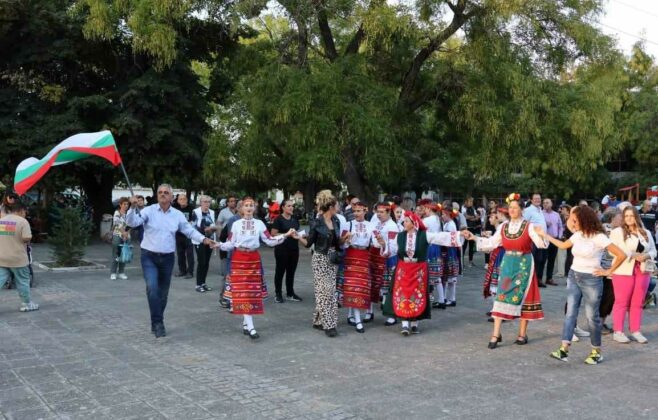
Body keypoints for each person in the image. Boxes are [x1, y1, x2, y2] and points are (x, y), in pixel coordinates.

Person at [535, 206, 625, 365]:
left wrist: (608, 271)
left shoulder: (599, 237)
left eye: (574, 220)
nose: (572, 223)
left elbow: (621, 255)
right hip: (573, 276)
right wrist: (544, 235)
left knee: (592, 316)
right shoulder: (578, 234)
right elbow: (563, 246)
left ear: (584, 219)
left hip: (591, 279)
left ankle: (596, 352)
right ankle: (564, 349)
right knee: (570, 313)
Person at [126, 184, 214, 338]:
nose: (162, 195)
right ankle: (158, 322)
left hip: (167, 258)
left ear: (172, 197)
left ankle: (157, 320)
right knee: (152, 288)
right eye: (160, 192)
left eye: (166, 192)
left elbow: (188, 230)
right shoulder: (148, 211)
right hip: (149, 256)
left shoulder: (177, 215)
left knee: (163, 294)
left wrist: (203, 239)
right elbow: (133, 223)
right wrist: (132, 207)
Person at [463, 193, 547, 349]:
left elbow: (541, 245)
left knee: (524, 296)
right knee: (501, 296)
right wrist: (474, 238)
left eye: (516, 207)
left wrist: (542, 235)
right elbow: (491, 243)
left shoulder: (529, 226)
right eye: (511, 207)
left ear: (522, 209)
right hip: (508, 263)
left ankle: (522, 334)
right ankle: (496, 334)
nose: (513, 210)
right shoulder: (503, 227)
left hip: (524, 264)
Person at [214, 196, 294, 339]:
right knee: (243, 292)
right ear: (242, 208)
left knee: (250, 293)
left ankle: (247, 324)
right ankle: (250, 327)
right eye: (246, 205)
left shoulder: (259, 224)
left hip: (253, 260)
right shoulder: (236, 224)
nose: (249, 208)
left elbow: (269, 241)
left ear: (254, 208)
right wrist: (219, 245)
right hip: (238, 259)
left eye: (251, 205)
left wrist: (286, 235)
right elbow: (231, 243)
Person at [382, 211, 465, 335]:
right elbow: (392, 250)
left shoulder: (424, 235)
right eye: (404, 221)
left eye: (406, 221)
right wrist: (383, 245)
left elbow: (441, 237)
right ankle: (405, 324)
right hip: (403, 270)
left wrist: (459, 234)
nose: (404, 223)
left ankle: (415, 324)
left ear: (413, 223)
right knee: (403, 294)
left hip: (418, 270)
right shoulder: (400, 236)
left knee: (417, 295)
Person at [295, 190, 347, 337]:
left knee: (326, 291)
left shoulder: (336, 221)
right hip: (320, 259)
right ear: (330, 206)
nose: (338, 208)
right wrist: (297, 237)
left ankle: (318, 320)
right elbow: (308, 243)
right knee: (327, 292)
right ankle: (329, 325)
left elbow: (337, 242)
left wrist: (345, 239)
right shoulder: (317, 223)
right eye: (336, 205)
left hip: (333, 259)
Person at [609, 205, 657, 344]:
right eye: (626, 216)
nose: (629, 218)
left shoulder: (645, 232)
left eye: (631, 216)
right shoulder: (617, 232)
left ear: (636, 216)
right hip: (623, 270)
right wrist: (633, 255)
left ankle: (635, 330)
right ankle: (618, 331)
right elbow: (613, 250)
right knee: (621, 302)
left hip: (642, 271)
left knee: (637, 302)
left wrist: (647, 255)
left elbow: (654, 250)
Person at [341, 202, 385, 333]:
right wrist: (346, 240)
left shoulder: (371, 225)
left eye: (359, 211)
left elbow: (377, 242)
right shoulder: (348, 224)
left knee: (362, 287)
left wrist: (382, 242)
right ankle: (357, 320)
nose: (356, 213)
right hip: (351, 255)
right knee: (352, 286)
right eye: (354, 211)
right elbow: (341, 242)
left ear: (365, 211)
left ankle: (352, 315)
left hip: (365, 255)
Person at [0, 201, 39, 312]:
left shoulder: (1, 221)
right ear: (21, 210)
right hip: (18, 259)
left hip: (2, 257)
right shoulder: (23, 222)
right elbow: (26, 237)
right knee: (22, 280)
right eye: (25, 212)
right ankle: (26, 304)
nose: (25, 214)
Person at [367, 202, 399, 325]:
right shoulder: (376, 224)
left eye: (381, 212)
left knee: (387, 287)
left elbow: (394, 246)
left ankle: (391, 314)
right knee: (372, 284)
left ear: (388, 212)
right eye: (377, 212)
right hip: (374, 255)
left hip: (387, 258)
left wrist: (384, 246)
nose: (378, 214)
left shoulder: (392, 226)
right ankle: (369, 312)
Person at [271, 199, 302, 303]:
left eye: (292, 206)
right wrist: (286, 234)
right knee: (280, 271)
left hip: (294, 248)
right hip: (281, 248)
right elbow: (273, 234)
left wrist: (300, 235)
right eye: (288, 206)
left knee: (291, 272)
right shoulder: (278, 219)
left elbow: (296, 231)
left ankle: (290, 293)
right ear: (283, 207)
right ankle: (278, 294)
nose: (291, 208)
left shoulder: (294, 219)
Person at [483, 206, 509, 321]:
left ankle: (499, 312)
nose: (493, 216)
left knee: (497, 284)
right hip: (500, 253)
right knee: (498, 283)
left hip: (501, 254)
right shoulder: (505, 225)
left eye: (496, 214)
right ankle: (497, 309)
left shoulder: (504, 225)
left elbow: (495, 243)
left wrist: (481, 240)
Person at [190, 195, 215, 293]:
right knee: (202, 262)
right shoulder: (195, 212)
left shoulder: (212, 212)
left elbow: (213, 224)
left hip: (210, 240)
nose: (206, 204)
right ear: (200, 203)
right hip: (199, 240)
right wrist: (205, 230)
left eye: (208, 202)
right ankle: (198, 284)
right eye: (204, 202)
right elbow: (193, 227)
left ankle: (203, 283)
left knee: (207, 262)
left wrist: (213, 229)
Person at [438, 207, 462, 307]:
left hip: (450, 251)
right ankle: (448, 298)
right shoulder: (447, 224)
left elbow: (449, 239)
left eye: (443, 214)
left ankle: (451, 298)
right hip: (448, 250)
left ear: (448, 215)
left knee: (450, 277)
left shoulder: (451, 225)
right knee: (448, 277)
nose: (442, 216)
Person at [523, 193, 547, 287]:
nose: (538, 200)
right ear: (531, 200)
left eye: (539, 198)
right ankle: (530, 281)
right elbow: (524, 223)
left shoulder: (540, 210)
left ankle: (536, 280)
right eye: (535, 199)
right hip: (532, 239)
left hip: (541, 239)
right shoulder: (528, 210)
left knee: (539, 260)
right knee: (533, 260)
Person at [538, 198, 563, 286]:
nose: (545, 204)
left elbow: (560, 226)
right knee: (542, 260)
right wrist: (544, 223)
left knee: (552, 260)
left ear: (551, 204)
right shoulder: (540, 214)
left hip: (555, 240)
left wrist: (559, 236)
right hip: (545, 240)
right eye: (544, 203)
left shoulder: (556, 214)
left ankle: (549, 278)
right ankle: (539, 279)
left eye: (547, 203)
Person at [173, 194, 195, 279]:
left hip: (188, 234)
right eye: (180, 199)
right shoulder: (175, 209)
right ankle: (182, 270)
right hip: (178, 234)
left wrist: (190, 224)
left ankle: (190, 272)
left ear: (187, 200)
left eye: (184, 199)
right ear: (178, 200)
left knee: (189, 254)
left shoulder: (192, 208)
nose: (182, 200)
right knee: (180, 253)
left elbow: (194, 220)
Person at [110, 197, 131, 280]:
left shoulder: (129, 214)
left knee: (124, 254)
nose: (126, 206)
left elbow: (131, 224)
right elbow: (117, 223)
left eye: (127, 204)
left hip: (127, 236)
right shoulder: (117, 212)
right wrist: (123, 233)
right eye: (124, 204)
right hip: (117, 235)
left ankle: (121, 272)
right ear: (120, 204)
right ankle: (113, 272)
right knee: (116, 254)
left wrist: (127, 234)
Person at [462, 197, 481, 267]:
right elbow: (466, 217)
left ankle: (471, 261)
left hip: (473, 228)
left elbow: (477, 217)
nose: (471, 203)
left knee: (471, 246)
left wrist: (472, 217)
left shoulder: (473, 208)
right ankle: (462, 262)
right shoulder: (463, 208)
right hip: (466, 228)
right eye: (470, 201)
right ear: (466, 202)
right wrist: (473, 217)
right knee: (464, 245)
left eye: (472, 202)